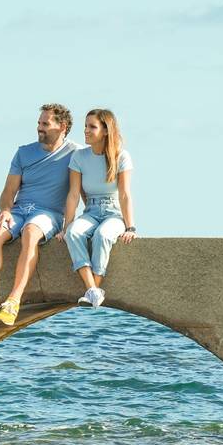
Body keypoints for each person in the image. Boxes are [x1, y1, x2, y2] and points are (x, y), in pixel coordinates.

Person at [0, 104, 80, 325]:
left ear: (62, 127)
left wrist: (72, 225)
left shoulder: (76, 154)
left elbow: (80, 193)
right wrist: (6, 210)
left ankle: (13, 300)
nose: (39, 128)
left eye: (45, 124)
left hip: (49, 214)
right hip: (19, 209)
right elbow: (8, 192)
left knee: (30, 233)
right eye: (39, 123)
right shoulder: (24, 152)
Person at [57, 108, 136, 307]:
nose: (86, 130)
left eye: (92, 127)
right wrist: (66, 226)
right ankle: (93, 289)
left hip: (113, 213)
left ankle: (93, 290)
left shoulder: (121, 156)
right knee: (73, 233)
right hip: (90, 210)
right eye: (85, 126)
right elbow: (74, 194)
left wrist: (130, 227)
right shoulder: (79, 157)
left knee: (103, 235)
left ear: (106, 130)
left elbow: (125, 194)